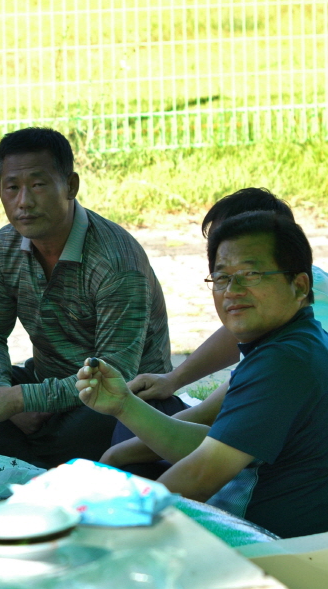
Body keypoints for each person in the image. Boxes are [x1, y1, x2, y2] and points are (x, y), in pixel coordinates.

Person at [0, 127, 178, 469]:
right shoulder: (4, 248)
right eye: (12, 188)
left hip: (120, 398)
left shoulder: (116, 260)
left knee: (99, 422)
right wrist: (0, 394)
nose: (24, 201)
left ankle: (25, 457)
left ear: (71, 186)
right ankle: (47, 459)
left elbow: (117, 373)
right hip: (43, 388)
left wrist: (20, 400)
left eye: (38, 185)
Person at [77, 211, 328, 538]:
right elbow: (212, 445)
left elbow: (199, 476)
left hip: (267, 545)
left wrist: (101, 529)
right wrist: (124, 404)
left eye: (251, 274)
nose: (232, 290)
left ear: (299, 285)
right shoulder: (298, 342)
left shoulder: (283, 362)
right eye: (221, 277)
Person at [106, 188, 328, 474]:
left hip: (262, 481)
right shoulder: (280, 316)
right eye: (222, 270)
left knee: (136, 439)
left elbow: (203, 457)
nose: (232, 289)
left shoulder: (286, 356)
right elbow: (232, 338)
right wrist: (172, 379)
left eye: (248, 271)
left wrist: (116, 453)